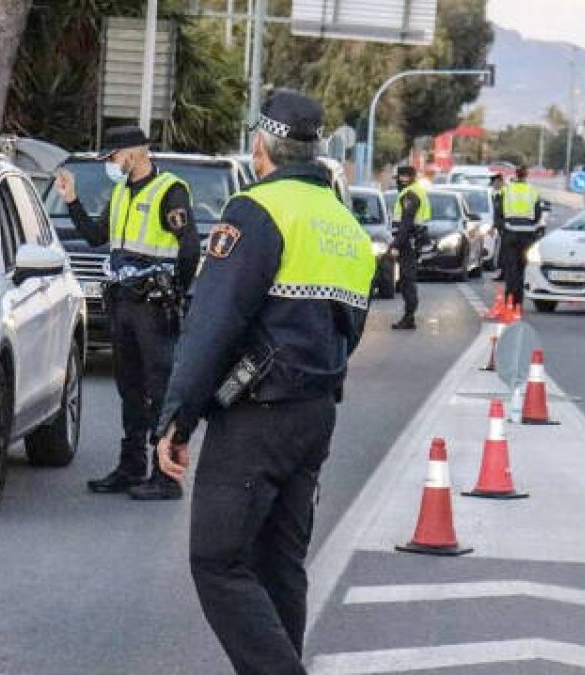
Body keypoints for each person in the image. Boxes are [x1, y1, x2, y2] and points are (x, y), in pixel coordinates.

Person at [154, 89, 374, 674]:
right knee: (279, 566)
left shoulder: (256, 210)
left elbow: (213, 321)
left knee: (217, 561)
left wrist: (178, 418)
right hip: (315, 414)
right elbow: (350, 331)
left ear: (260, 148)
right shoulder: (347, 226)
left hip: (258, 415)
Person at [53, 125, 200, 501]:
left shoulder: (170, 190)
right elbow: (94, 237)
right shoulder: (121, 192)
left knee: (160, 388)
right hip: (122, 303)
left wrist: (177, 292)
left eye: (115, 157)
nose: (112, 165)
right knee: (130, 387)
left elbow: (189, 248)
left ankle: (166, 476)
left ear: (134, 153)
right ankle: (132, 465)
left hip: (153, 307)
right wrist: (71, 201)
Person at [389, 165, 431, 330]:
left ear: (406, 178)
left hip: (409, 242)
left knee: (407, 279)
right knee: (407, 279)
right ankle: (409, 316)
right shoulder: (415, 191)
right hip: (411, 241)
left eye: (400, 178)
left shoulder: (411, 194)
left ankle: (409, 317)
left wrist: (396, 244)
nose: (398, 181)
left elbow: (406, 223)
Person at [499, 164, 543, 307]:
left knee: (511, 268)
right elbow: (538, 214)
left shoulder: (507, 190)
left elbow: (499, 211)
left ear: (515, 174)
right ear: (526, 175)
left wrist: (503, 226)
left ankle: (509, 299)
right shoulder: (532, 191)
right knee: (521, 268)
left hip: (511, 232)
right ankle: (518, 301)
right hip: (527, 235)